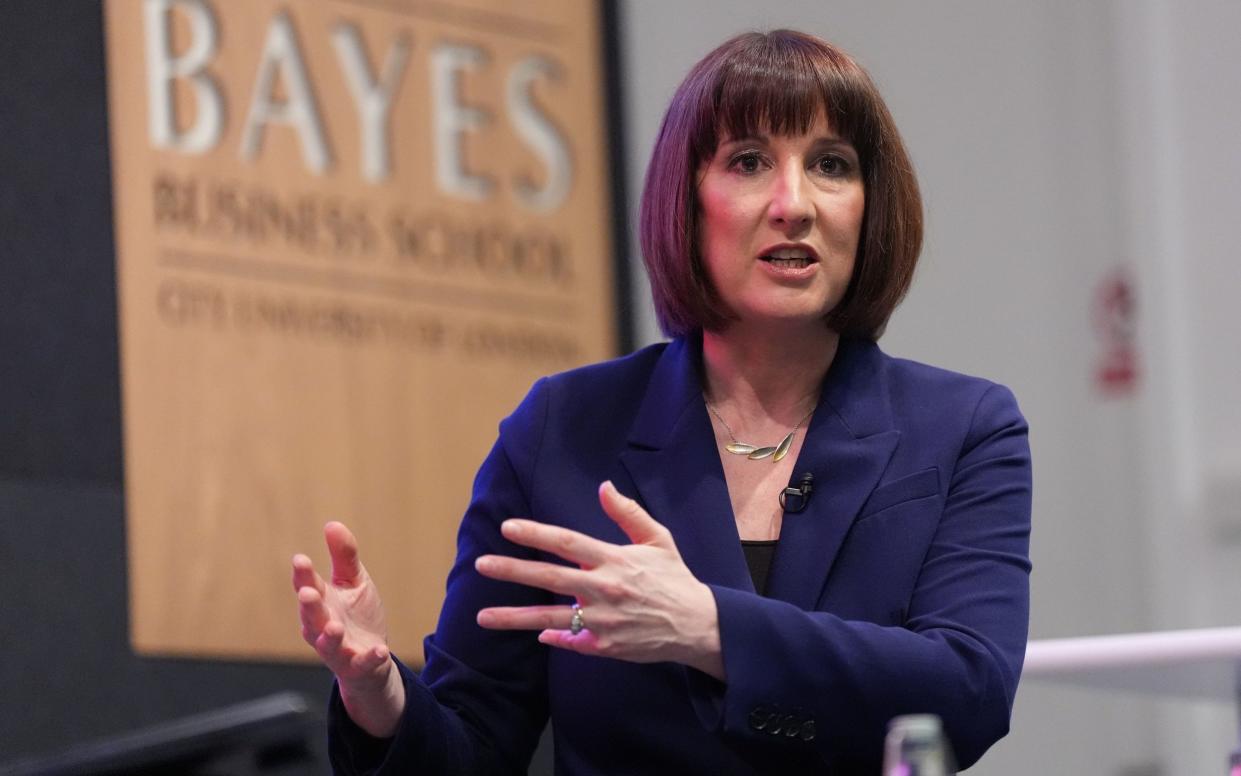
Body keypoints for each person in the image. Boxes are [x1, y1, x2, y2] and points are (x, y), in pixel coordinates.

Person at [292, 28, 1031, 775]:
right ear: (686, 200)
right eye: (748, 162)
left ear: (870, 207)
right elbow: (473, 745)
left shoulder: (960, 428)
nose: (793, 203)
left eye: (831, 165)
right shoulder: (564, 429)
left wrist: (706, 626)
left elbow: (966, 691)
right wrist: (376, 688)